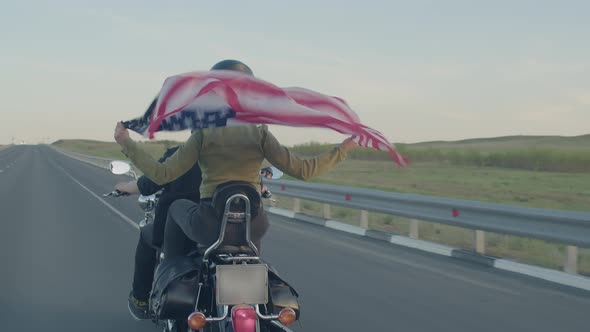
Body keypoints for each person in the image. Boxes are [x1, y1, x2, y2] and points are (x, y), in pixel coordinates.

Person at [113, 59, 357, 265]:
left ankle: (172, 268)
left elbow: (162, 174)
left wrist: (126, 142)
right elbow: (305, 170)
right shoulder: (259, 133)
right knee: (251, 234)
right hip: (254, 225)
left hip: (210, 224)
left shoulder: (204, 134)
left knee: (177, 207)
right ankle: (251, 273)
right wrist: (344, 148)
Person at [115, 145, 202, 320]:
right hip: (222, 231)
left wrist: (124, 187)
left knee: (147, 234)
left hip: (178, 233)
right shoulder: (230, 157)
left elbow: (149, 184)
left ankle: (140, 300)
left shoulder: (180, 155)